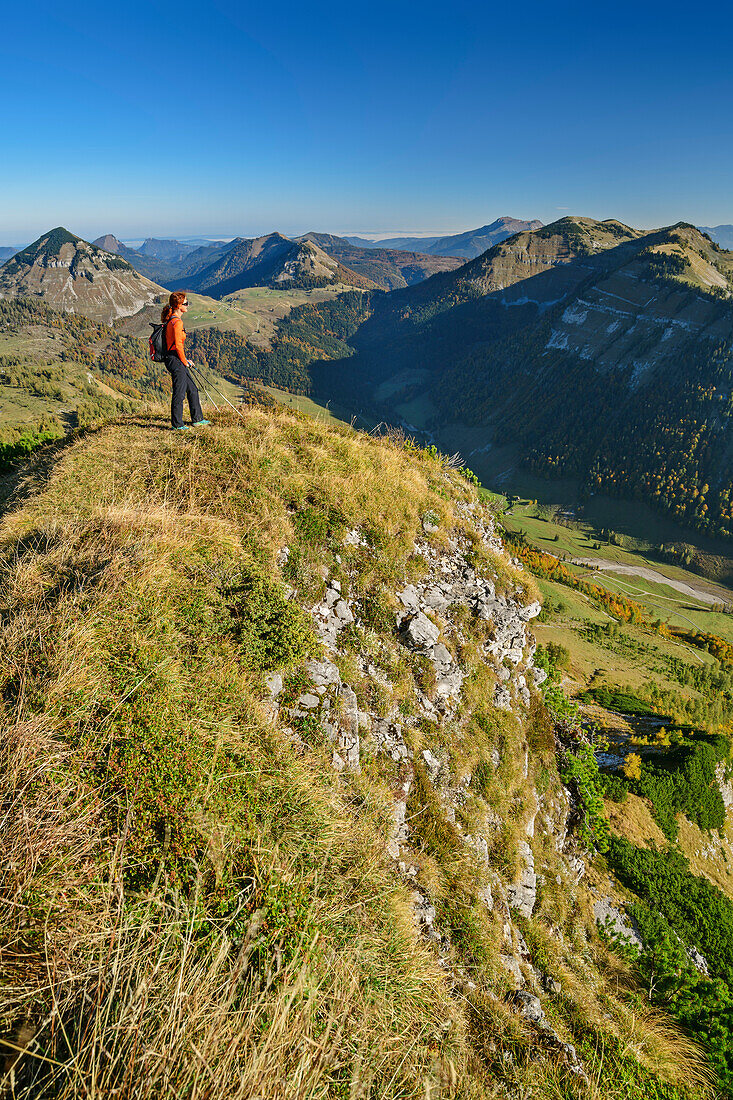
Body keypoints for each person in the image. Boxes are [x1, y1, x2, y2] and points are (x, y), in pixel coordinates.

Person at [161, 291, 210, 431]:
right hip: (175, 360)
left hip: (175, 358)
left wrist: (184, 360)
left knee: (192, 389)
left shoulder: (172, 319)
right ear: (179, 305)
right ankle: (177, 424)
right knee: (180, 393)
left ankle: (198, 419)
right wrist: (184, 361)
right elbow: (178, 345)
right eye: (186, 303)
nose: (188, 305)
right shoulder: (177, 322)